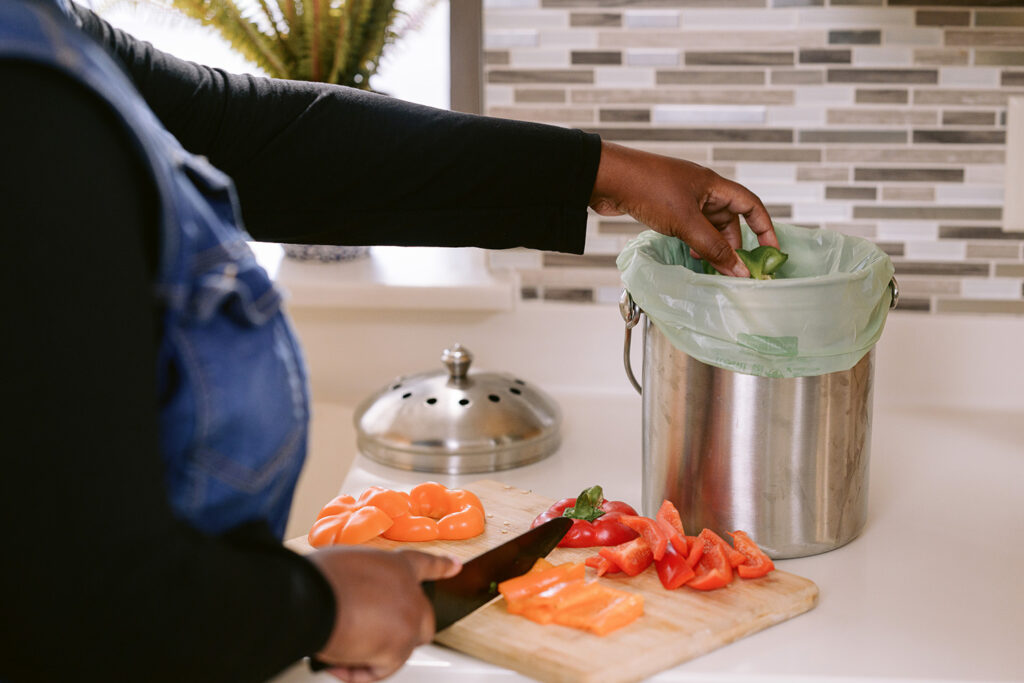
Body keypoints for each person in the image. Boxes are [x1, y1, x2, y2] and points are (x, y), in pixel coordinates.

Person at [0, 0, 778, 681]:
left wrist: (599, 171)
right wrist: (317, 606)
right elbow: (76, 599)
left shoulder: (42, 34)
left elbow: (250, 138)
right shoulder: (22, 103)